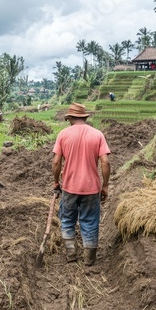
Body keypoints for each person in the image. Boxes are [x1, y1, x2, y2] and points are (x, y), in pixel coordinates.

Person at [52, 103, 111, 266]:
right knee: (90, 221)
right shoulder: (98, 134)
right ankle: (89, 258)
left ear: (70, 118)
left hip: (69, 187)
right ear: (84, 117)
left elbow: (56, 162)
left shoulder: (63, 135)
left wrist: (57, 182)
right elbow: (105, 162)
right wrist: (105, 185)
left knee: (67, 219)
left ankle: (71, 253)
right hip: (92, 188)